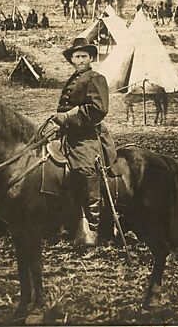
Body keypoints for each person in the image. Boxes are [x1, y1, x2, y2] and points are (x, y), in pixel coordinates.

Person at [51, 38, 121, 247]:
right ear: (71, 59)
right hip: (66, 134)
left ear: (90, 58)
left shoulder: (96, 78)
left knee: (85, 170)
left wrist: (69, 116)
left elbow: (99, 108)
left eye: (84, 56)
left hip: (86, 135)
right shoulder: (74, 78)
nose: (80, 60)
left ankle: (94, 226)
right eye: (76, 56)